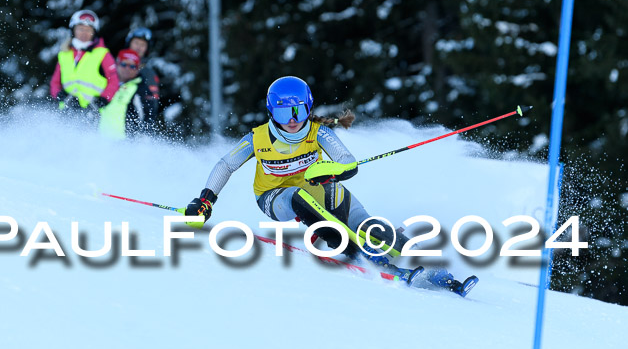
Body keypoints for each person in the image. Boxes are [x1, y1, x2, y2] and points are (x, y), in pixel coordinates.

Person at [183, 76, 477, 296]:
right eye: (285, 114)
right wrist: (205, 201)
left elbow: (348, 162)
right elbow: (225, 165)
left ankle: (440, 274)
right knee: (298, 195)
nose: (293, 121)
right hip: (275, 197)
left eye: (299, 111)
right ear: (272, 112)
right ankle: (352, 248)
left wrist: (330, 170)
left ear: (308, 108)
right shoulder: (258, 138)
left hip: (317, 189)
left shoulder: (318, 131)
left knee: (370, 225)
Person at [49, 10, 119, 110]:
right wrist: (58, 94)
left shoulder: (103, 54)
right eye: (81, 29)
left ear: (94, 32)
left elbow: (114, 81)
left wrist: (104, 99)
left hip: (93, 109)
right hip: (67, 108)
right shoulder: (64, 54)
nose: (84, 33)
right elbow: (55, 82)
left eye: (88, 30)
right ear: (73, 29)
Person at [98, 49, 158, 138]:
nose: (127, 69)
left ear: (137, 69)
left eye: (132, 66)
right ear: (117, 64)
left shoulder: (141, 88)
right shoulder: (105, 83)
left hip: (125, 143)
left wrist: (142, 138)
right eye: (124, 64)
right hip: (100, 139)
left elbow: (148, 116)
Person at [124, 27, 161, 118]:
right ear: (129, 43)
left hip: (132, 127)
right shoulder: (112, 65)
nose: (139, 47)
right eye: (136, 43)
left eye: (143, 45)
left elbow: (151, 107)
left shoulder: (148, 73)